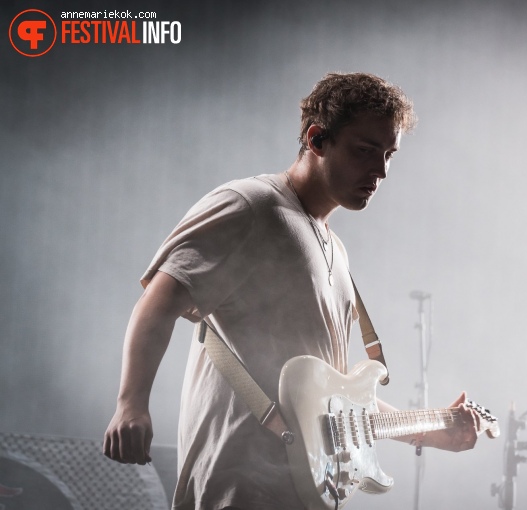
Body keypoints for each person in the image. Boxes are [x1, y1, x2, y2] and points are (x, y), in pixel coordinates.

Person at [103, 72, 480, 510]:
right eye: (364, 151)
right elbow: (161, 299)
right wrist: (131, 404)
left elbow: (335, 399)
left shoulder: (336, 251)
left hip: (305, 493)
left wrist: (430, 430)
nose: (380, 171)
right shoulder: (250, 205)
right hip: (240, 487)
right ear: (317, 139)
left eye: (388, 154)